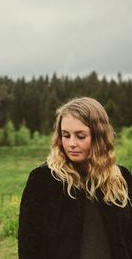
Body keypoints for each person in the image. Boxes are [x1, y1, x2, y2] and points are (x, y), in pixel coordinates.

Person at [18, 97, 132, 259]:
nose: (71, 143)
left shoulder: (122, 179)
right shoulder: (43, 180)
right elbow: (30, 245)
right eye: (66, 135)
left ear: (99, 137)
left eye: (80, 136)